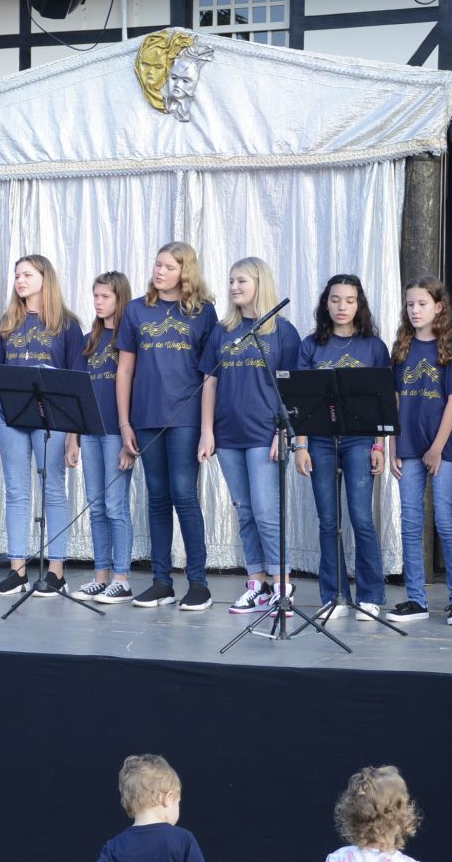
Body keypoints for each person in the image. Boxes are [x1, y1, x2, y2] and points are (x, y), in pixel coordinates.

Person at [116, 242, 217, 611]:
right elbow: (125, 369)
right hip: (146, 417)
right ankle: (162, 582)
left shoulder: (204, 312)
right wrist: (124, 423)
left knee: (184, 495)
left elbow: (210, 374)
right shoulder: (136, 310)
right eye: (157, 265)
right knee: (156, 498)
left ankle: (199, 583)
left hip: (185, 417)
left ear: (185, 272)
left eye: (169, 267)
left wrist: (207, 429)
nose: (159, 272)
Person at [198, 257, 300, 614]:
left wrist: (283, 433)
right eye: (231, 281)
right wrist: (207, 432)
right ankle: (257, 583)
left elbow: (293, 388)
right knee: (244, 512)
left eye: (241, 280)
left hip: (264, 435)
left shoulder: (282, 332)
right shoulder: (223, 330)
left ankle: (282, 586)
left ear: (260, 282)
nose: (234, 287)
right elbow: (210, 382)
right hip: (228, 435)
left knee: (266, 511)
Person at [0, 254, 85, 599]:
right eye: (17, 275)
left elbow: (75, 382)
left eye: (27, 274)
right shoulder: (8, 322)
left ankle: (56, 571)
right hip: (10, 417)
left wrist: (74, 437)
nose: (20, 281)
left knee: (53, 488)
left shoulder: (67, 325)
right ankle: (17, 572)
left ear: (45, 278)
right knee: (16, 492)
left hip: (52, 419)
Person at [294, 274, 389, 620]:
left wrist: (379, 447)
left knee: (361, 518)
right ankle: (334, 595)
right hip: (320, 440)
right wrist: (300, 446)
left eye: (349, 300)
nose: (342, 306)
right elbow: (300, 400)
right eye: (335, 300)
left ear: (359, 304)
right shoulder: (310, 345)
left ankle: (370, 595)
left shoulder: (373, 346)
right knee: (327, 521)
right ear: (326, 303)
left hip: (360, 440)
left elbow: (383, 401)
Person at [386, 276, 452, 626]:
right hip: (408, 445)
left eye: (422, 304)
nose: (415, 310)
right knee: (410, 521)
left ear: (438, 307)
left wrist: (437, 447)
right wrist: (392, 444)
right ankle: (416, 599)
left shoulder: (451, 348)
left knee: (446, 519)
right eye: (410, 304)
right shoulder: (402, 348)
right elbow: (394, 400)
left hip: (443, 447)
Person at [78, 272, 137, 605]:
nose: (98, 303)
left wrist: (130, 441)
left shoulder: (128, 339)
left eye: (105, 297)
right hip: (90, 433)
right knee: (96, 506)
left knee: (116, 506)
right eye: (95, 296)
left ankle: (122, 578)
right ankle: (100, 576)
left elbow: (135, 389)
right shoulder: (89, 340)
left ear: (120, 299)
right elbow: (79, 390)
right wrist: (73, 437)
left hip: (116, 433)